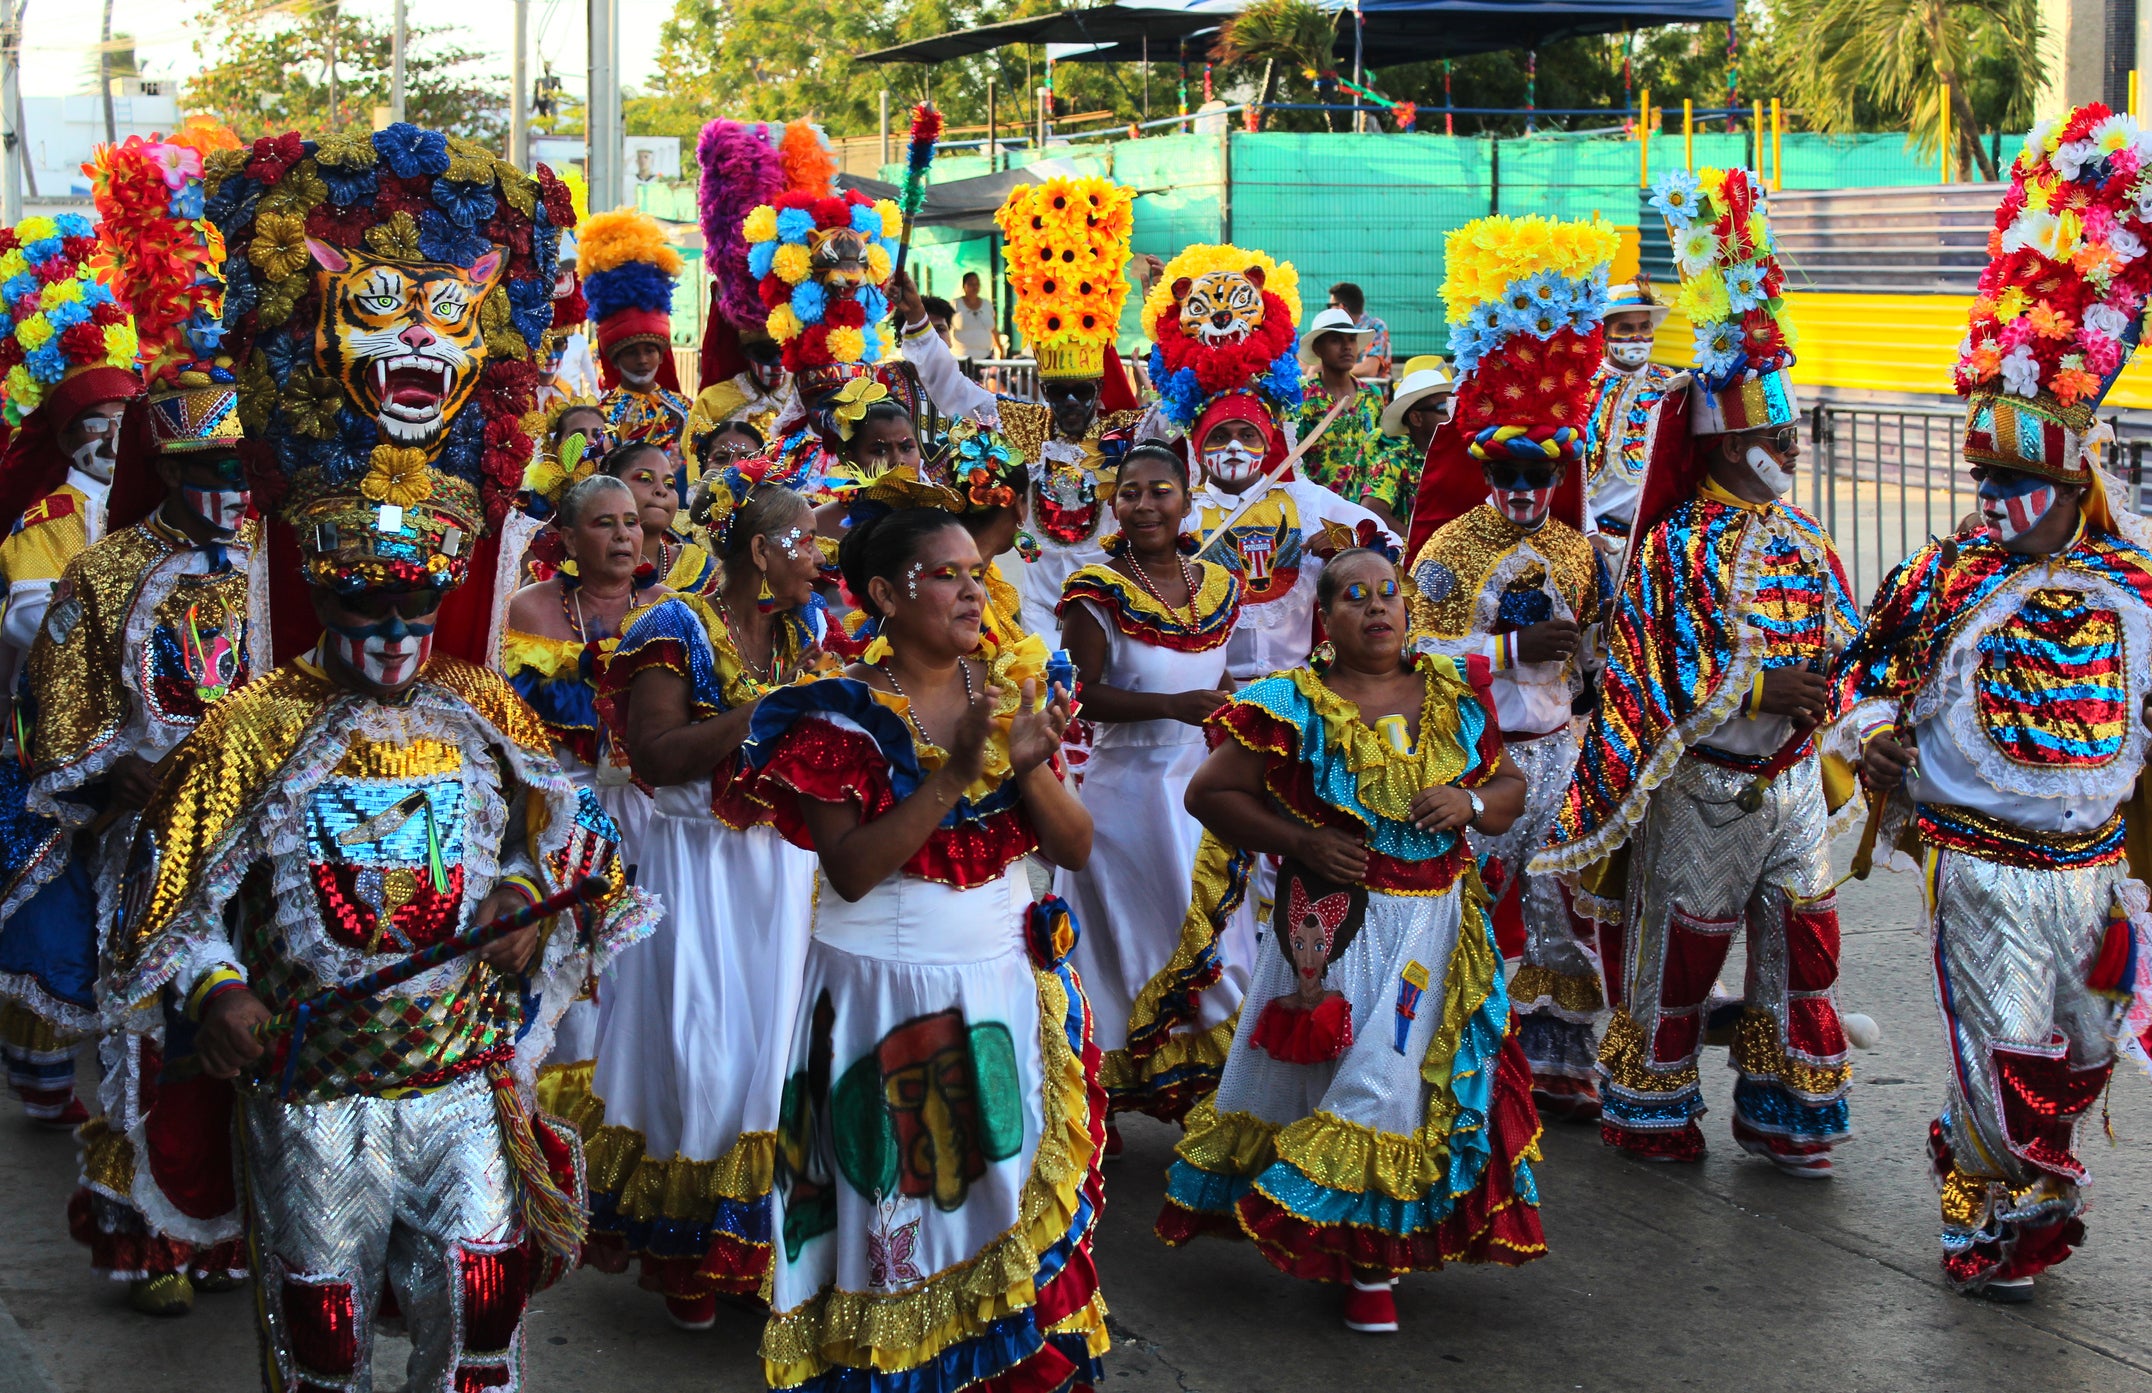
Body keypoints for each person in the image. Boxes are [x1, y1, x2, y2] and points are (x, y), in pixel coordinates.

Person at [106, 125, 654, 1388]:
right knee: (324, 1335)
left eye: (418, 608)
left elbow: (580, 846)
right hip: (313, 1087)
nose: (399, 635)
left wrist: (523, 899)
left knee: (482, 1314)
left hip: (462, 1077)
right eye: (367, 611)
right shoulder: (254, 725)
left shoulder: (482, 707)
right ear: (323, 594)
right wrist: (216, 993)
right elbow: (166, 898)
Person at [1831, 111, 2152, 1300]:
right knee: (1998, 1046)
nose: (1994, 503)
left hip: (2094, 866)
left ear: (2074, 476)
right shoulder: (1943, 576)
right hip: (1977, 860)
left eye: (2016, 482)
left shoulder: (2133, 587)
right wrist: (1873, 742)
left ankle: (2030, 1193)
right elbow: (1859, 678)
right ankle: (1979, 1211)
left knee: (2079, 1050)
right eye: (1982, 480)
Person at [1536, 167, 1862, 1177]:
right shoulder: (1675, 543)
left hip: (1793, 785)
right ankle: (1652, 1106)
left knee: (1801, 953)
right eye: (1771, 435)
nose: (1787, 447)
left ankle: (1786, 1112)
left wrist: (1854, 700)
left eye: (1788, 432)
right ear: (1729, 440)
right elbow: (1644, 659)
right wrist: (1761, 691)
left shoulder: (1803, 534)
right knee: (1677, 954)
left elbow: (1844, 634)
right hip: (1704, 781)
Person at [741, 506, 1108, 1391]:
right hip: (879, 996)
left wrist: (1023, 766)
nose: (972, 589)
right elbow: (856, 869)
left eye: (974, 573)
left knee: (1001, 1185)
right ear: (881, 594)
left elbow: (1074, 846)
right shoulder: (837, 715)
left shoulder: (1012, 683)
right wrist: (954, 772)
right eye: (945, 574)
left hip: (1000, 984)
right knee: (897, 1205)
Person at [1158, 549, 1544, 1334]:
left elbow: (1510, 788)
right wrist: (1300, 839)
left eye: (1389, 595)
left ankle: (1371, 1267)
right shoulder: (1294, 704)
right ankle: (1336, 1240)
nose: (1378, 609)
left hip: (1432, 931)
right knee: (1324, 1075)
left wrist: (1468, 799)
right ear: (1325, 620)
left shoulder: (1454, 693)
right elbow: (1210, 792)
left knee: (1389, 1080)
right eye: (1356, 597)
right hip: (1331, 930)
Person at [31, 153, 262, 1310]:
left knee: (250, 1031)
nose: (226, 489)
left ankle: (238, 1225)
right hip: (150, 845)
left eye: (240, 466)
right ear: (164, 464)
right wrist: (131, 776)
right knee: (154, 1033)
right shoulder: (104, 573)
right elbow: (61, 715)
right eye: (204, 466)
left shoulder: (280, 561)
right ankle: (154, 1235)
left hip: (266, 837)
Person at [581, 470, 827, 1327]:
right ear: (759, 552)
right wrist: (772, 713)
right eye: (803, 539)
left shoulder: (808, 628)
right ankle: (689, 1257)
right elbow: (655, 756)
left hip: (785, 873)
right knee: (705, 1056)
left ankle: (760, 1259)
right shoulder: (672, 624)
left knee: (779, 1060)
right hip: (694, 874)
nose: (817, 556)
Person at [1407, 213, 1615, 1119]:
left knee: (1567, 908)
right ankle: (1467, 1054)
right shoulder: (1450, 550)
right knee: (1477, 910)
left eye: (1541, 474)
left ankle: (1562, 1060)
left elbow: (1604, 647)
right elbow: (1413, 651)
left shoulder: (1580, 549)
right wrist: (1505, 651)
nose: (1525, 491)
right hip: (1482, 755)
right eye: (1510, 475)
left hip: (1563, 751)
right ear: (1488, 471)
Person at [0, 212, 143, 1129]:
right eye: (94, 424)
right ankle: (47, 1076)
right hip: (56, 740)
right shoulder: (53, 511)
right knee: (55, 900)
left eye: (122, 420)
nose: (110, 438)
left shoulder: (160, 503)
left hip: (151, 731)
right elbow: (27, 616)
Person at [1056, 443, 1241, 1131]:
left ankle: (1214, 1100)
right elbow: (1078, 696)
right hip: (1126, 795)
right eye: (1129, 492)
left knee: (1210, 938)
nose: (1144, 504)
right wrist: (1170, 707)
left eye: (1159, 489)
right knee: (1127, 946)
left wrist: (1229, 706)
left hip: (1202, 787)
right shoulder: (1095, 591)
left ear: (1188, 501)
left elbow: (1217, 681)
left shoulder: (1220, 585)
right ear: (1114, 506)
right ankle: (1094, 1103)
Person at [897, 177, 1147, 635]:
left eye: (1082, 392)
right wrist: (916, 318)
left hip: (1117, 609)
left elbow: (1182, 414)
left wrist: (1158, 307)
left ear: (1098, 386)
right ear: (1043, 389)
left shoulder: (1129, 432)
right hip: (1041, 609)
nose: (1070, 403)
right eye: (1057, 392)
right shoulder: (1025, 423)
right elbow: (953, 388)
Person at [502, 472, 661, 1081]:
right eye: (604, 523)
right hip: (560, 811)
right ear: (568, 538)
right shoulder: (530, 609)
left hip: (649, 809)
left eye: (631, 523)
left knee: (642, 954)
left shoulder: (668, 607)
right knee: (571, 958)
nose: (624, 536)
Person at [1581, 279, 1682, 556]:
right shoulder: (1582, 389)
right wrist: (1588, 533)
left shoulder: (1675, 386)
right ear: (1603, 334)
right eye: (1626, 328)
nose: (1638, 336)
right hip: (1599, 542)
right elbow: (1567, 471)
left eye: (1644, 327)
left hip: (1659, 542)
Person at [583, 207, 692, 458]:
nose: (643, 360)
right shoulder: (601, 416)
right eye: (632, 352)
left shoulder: (685, 409)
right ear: (615, 359)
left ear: (662, 355)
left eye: (650, 351)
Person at [1295, 305, 1411, 533]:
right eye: (1336, 340)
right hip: (1318, 513)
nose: (1347, 347)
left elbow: (1381, 451)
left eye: (1351, 340)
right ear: (1318, 348)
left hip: (1365, 511)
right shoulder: (1303, 396)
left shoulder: (1373, 396)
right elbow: (1295, 459)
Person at [604, 440, 723, 597]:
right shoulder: (584, 560)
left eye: (669, 484)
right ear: (612, 485)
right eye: (645, 479)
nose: (661, 490)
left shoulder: (703, 571)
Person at [1328, 281, 1390, 380]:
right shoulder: (1332, 328)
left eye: (1330, 305)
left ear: (1341, 307)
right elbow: (1306, 364)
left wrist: (1328, 371)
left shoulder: (1374, 327)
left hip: (1370, 394)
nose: (1328, 310)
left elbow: (1369, 369)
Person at [950, 269, 1001, 362]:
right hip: (960, 359)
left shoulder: (988, 305)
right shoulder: (954, 304)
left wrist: (1000, 349)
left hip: (985, 358)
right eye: (970, 284)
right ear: (963, 286)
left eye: (977, 284)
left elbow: (994, 330)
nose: (974, 287)